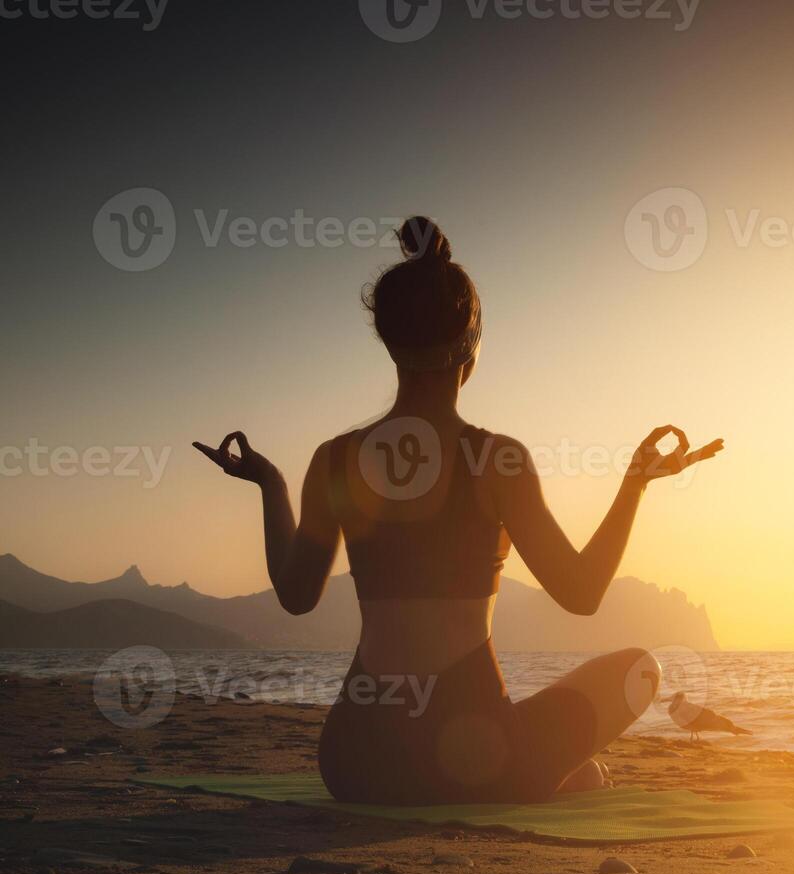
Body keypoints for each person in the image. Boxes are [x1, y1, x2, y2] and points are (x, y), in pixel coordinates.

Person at [194, 216, 723, 804]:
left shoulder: (335, 460)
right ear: (471, 345)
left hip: (353, 761)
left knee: (534, 745)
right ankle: (544, 770)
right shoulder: (497, 461)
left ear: (390, 346)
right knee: (642, 668)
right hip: (469, 762)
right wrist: (634, 485)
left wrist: (270, 484)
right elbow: (582, 594)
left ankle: (543, 766)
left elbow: (296, 597)